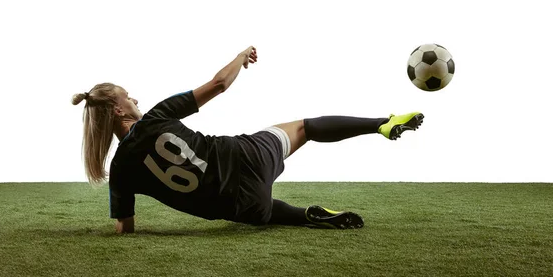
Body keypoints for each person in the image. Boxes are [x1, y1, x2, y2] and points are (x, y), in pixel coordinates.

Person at [72, 46, 423, 234]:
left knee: (263, 210)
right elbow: (218, 85)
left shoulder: (119, 172)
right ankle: (382, 123)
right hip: (247, 156)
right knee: (304, 128)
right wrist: (241, 57)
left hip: (241, 208)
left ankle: (305, 216)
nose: (135, 98)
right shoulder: (157, 116)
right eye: (129, 97)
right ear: (119, 110)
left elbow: (125, 228)